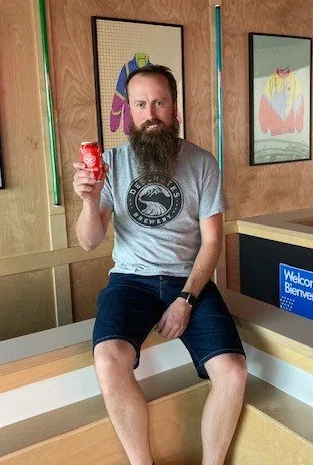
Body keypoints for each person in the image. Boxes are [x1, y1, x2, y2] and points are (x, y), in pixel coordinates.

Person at [73, 64, 247, 465]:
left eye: (159, 102)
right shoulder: (112, 164)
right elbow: (88, 240)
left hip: (188, 281)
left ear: (174, 109)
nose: (150, 113)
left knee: (233, 372)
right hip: (130, 280)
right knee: (108, 360)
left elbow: (212, 242)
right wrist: (89, 200)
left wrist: (186, 299)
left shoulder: (202, 163)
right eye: (140, 104)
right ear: (129, 112)